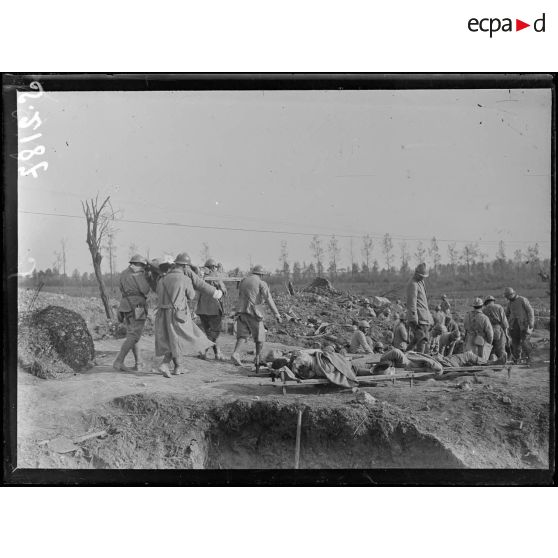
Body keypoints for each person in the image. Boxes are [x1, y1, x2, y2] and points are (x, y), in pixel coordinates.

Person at [155, 255, 223, 377]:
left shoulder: (162, 279)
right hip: (177, 314)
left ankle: (178, 367)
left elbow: (158, 294)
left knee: (172, 339)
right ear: (186, 266)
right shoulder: (184, 279)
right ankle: (164, 364)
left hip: (162, 314)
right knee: (179, 339)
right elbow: (191, 296)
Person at [231, 265, 282, 370]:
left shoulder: (244, 280)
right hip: (253, 312)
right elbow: (269, 299)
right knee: (260, 337)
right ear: (261, 274)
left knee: (242, 335)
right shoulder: (261, 283)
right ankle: (258, 358)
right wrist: (277, 314)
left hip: (241, 311)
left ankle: (235, 353)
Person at [113, 254, 156, 372]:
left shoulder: (123, 273)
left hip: (125, 305)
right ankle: (119, 361)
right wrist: (149, 278)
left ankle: (138, 363)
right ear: (141, 264)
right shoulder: (139, 274)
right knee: (134, 335)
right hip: (138, 305)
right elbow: (145, 290)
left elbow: (121, 289)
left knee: (133, 334)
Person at [196, 258, 227, 360]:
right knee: (215, 333)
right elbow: (224, 291)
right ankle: (204, 351)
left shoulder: (201, 278)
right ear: (213, 267)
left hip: (202, 309)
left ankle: (217, 353)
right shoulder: (215, 277)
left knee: (210, 333)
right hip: (213, 309)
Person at [406, 263, 432, 353]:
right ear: (416, 273)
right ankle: (409, 354)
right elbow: (412, 302)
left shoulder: (420, 282)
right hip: (419, 317)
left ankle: (422, 357)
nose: (423, 278)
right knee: (421, 337)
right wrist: (414, 318)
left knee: (424, 339)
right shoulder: (413, 284)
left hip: (424, 317)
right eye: (421, 276)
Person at [504, 287, 535, 363]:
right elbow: (506, 314)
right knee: (515, 344)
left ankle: (530, 359)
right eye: (507, 297)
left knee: (525, 343)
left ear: (512, 294)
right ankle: (517, 359)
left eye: (508, 296)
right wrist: (506, 324)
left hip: (524, 325)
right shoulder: (510, 303)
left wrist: (531, 322)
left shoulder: (522, 300)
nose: (508, 298)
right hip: (514, 327)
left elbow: (530, 311)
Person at [482, 295, 510, 364]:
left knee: (489, 348)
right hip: (498, 330)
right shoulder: (499, 307)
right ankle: (502, 361)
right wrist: (506, 334)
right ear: (493, 301)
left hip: (487, 331)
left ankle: (490, 361)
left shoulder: (483, 310)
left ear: (486, 302)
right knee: (500, 349)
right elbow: (504, 322)